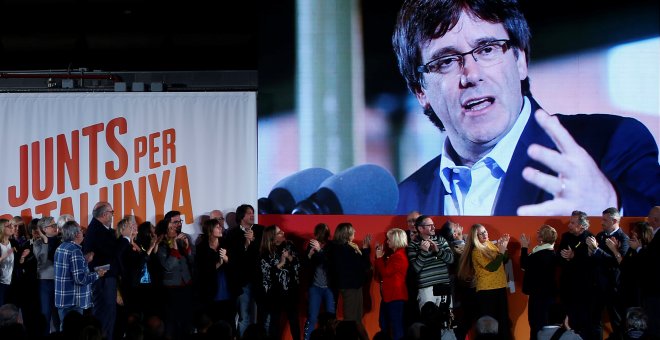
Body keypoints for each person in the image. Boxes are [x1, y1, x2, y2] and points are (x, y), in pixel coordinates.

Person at [392, 0, 659, 217]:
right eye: (446, 61)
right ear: (421, 91)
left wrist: (611, 208)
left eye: (487, 49)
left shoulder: (610, 143)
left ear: (520, 60)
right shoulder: (401, 203)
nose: (471, 74)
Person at [458, 224, 511, 339]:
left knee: (503, 320)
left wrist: (504, 248)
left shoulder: (491, 245)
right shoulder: (476, 252)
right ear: (475, 237)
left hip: (500, 287)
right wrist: (501, 252)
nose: (485, 234)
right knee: (489, 323)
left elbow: (505, 260)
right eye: (481, 233)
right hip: (487, 291)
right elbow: (492, 267)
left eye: (485, 231)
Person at [586, 207, 629, 340]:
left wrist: (597, 250)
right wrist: (591, 252)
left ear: (614, 220)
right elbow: (596, 260)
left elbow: (618, 262)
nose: (602, 222)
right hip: (597, 286)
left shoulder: (624, 238)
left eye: (605, 220)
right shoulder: (600, 235)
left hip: (613, 287)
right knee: (594, 320)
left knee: (617, 321)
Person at [54, 221, 106, 324]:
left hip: (63, 299)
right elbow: (80, 279)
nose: (83, 233)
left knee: (64, 329)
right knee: (74, 331)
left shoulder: (61, 248)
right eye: (81, 231)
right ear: (77, 234)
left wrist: (85, 261)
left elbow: (68, 270)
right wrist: (97, 274)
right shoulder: (75, 251)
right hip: (74, 301)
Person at [256, 225, 301, 340]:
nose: (283, 232)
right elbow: (266, 274)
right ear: (273, 237)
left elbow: (299, 265)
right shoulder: (265, 252)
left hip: (291, 291)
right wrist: (281, 263)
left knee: (294, 321)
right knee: (275, 321)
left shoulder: (289, 245)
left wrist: (289, 257)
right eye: (280, 232)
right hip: (274, 293)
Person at [556, 210, 596, 339]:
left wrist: (574, 256)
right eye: (570, 222)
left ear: (582, 226)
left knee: (583, 322)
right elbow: (558, 257)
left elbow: (591, 263)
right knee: (568, 320)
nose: (569, 225)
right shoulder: (566, 237)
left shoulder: (590, 238)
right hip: (567, 287)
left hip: (584, 289)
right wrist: (566, 258)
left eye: (573, 223)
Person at [226, 204, 264, 336]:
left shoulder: (261, 230)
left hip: (260, 280)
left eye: (253, 212)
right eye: (249, 213)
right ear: (241, 216)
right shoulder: (232, 234)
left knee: (261, 316)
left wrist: (253, 241)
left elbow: (264, 253)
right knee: (245, 316)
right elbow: (233, 258)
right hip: (243, 282)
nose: (252, 215)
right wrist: (246, 244)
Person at [328, 223, 371, 338]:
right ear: (346, 233)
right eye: (352, 230)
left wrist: (364, 250)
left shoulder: (347, 248)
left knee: (357, 320)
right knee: (351, 321)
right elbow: (362, 265)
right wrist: (365, 250)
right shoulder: (344, 249)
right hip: (350, 287)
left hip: (355, 286)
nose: (355, 231)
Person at [156, 217, 194, 339]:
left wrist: (187, 248)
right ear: (165, 232)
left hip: (186, 286)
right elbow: (167, 266)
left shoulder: (181, 242)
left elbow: (192, 261)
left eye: (175, 228)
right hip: (171, 289)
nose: (175, 230)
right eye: (171, 229)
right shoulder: (161, 246)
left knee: (186, 320)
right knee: (172, 321)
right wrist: (174, 248)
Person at [194, 218, 235, 332]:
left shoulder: (226, 244)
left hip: (228, 290)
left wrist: (226, 258)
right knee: (213, 325)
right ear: (210, 230)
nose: (220, 228)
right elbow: (202, 272)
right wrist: (218, 263)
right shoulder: (201, 248)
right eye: (217, 227)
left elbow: (236, 266)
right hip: (210, 292)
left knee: (229, 324)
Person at [406, 215, 454, 310]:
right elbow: (416, 268)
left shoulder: (441, 240)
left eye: (433, 225)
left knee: (447, 318)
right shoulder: (413, 245)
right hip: (426, 288)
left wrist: (438, 251)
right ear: (420, 228)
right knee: (429, 319)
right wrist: (423, 252)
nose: (433, 227)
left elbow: (451, 259)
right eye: (429, 225)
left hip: (444, 285)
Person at [520, 225, 559, 340]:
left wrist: (524, 247)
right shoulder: (549, 253)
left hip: (540, 297)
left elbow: (524, 265)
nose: (536, 234)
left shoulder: (540, 255)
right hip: (545, 296)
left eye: (538, 233)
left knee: (537, 325)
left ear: (541, 238)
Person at [375, 228, 409, 340]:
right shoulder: (397, 255)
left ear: (395, 240)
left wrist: (379, 258)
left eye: (389, 239)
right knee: (385, 323)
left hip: (395, 296)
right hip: (390, 296)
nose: (387, 242)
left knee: (396, 326)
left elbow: (386, 272)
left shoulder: (398, 256)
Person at [303, 223, 336, 340]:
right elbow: (305, 266)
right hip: (315, 287)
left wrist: (320, 251)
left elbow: (331, 265)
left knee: (330, 318)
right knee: (312, 317)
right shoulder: (311, 244)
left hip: (329, 288)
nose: (317, 236)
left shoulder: (332, 246)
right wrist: (310, 255)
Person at [34, 216, 62, 334]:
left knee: (58, 312)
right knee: (46, 312)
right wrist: (45, 241)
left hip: (59, 280)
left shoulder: (61, 240)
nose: (55, 227)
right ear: (44, 229)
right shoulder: (38, 243)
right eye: (52, 225)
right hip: (45, 281)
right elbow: (42, 261)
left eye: (55, 225)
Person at [642, 206, 660, 338]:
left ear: (655, 220)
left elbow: (652, 261)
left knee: (654, 325)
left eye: (648, 217)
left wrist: (638, 250)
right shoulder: (654, 236)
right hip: (652, 290)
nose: (646, 219)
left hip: (655, 290)